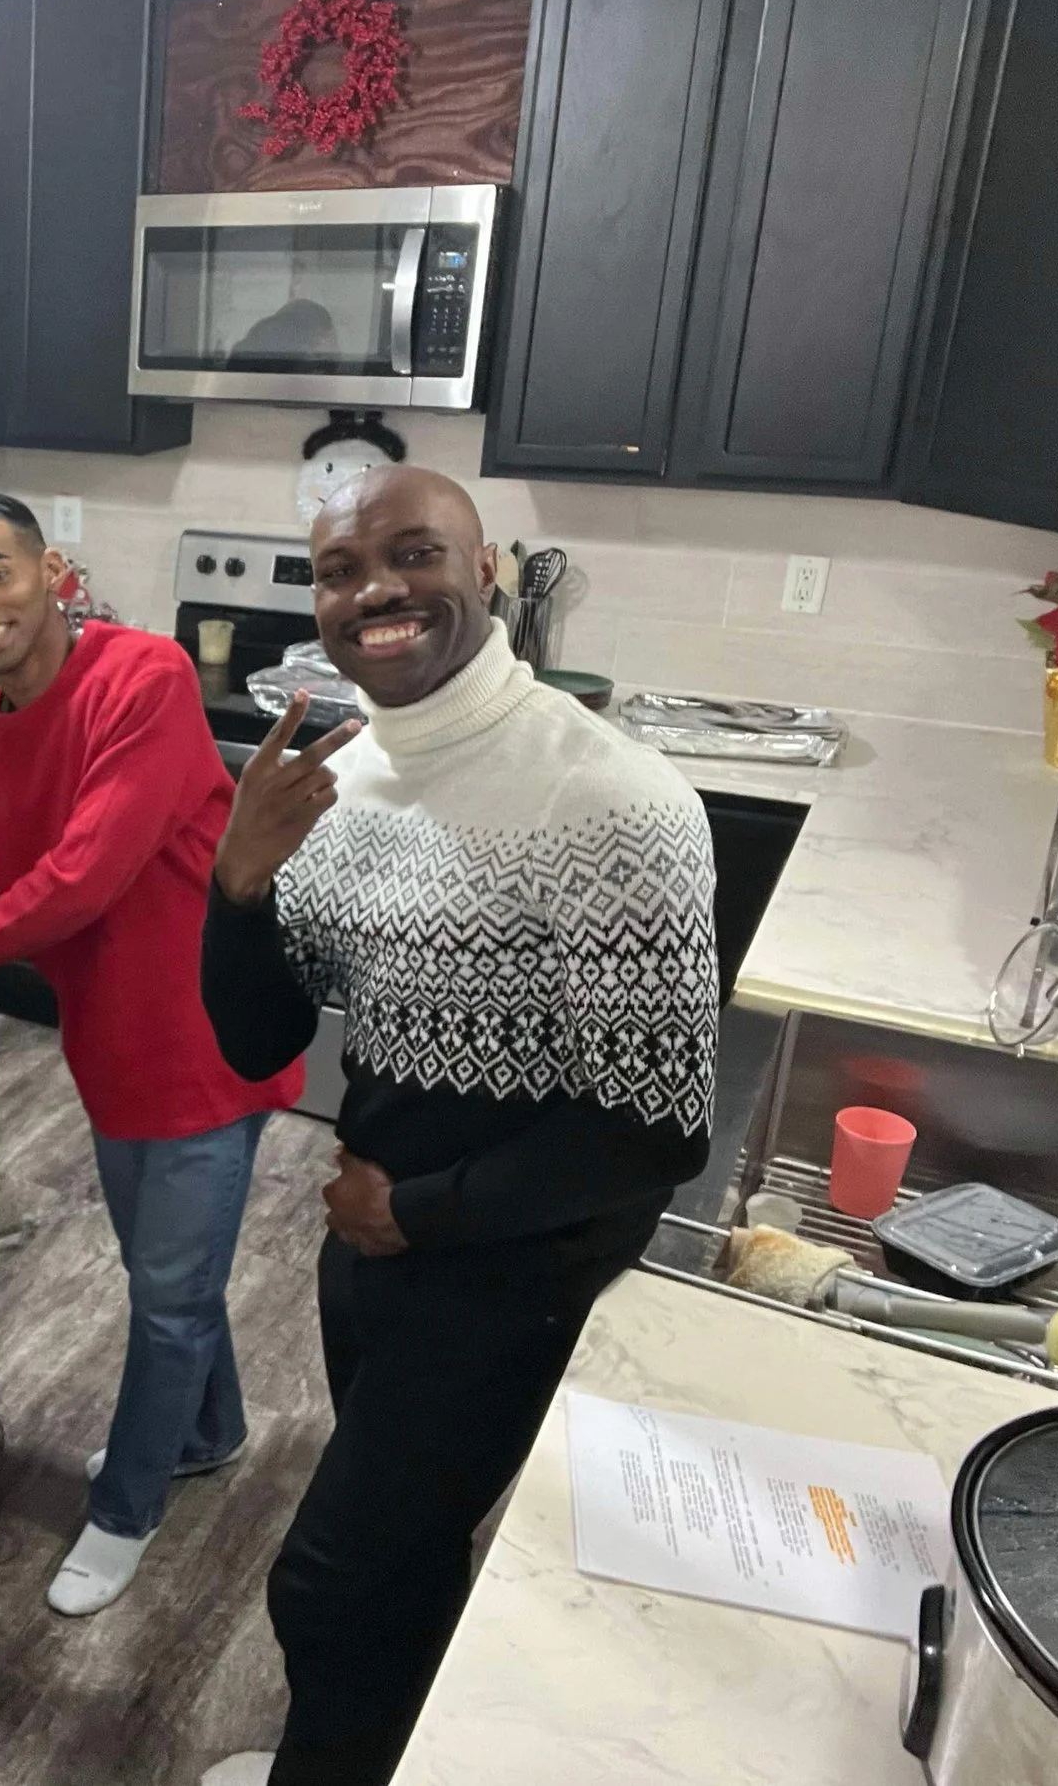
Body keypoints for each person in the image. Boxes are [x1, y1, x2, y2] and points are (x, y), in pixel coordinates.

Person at [195, 466, 720, 1786]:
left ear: (487, 571)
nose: (373, 589)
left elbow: (653, 1125)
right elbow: (257, 1037)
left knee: (329, 1579)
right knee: (404, 1558)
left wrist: (414, 1211)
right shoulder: (345, 777)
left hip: (514, 1267)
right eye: (338, 568)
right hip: (376, 1248)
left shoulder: (612, 801)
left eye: (413, 553)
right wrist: (239, 882)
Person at [0, 491, 301, 1618]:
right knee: (167, 1278)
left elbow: (80, 880)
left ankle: (128, 1508)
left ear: (52, 570)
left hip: (208, 1036)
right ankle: (211, 1432)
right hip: (109, 1049)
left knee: (164, 1293)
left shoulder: (141, 678)